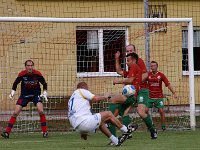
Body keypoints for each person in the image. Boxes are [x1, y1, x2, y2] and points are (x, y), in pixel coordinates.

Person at [68, 82, 133, 146]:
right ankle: (126, 130)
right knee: (109, 114)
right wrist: (105, 97)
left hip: (77, 127)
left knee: (100, 122)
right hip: (84, 122)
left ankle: (116, 141)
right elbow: (95, 98)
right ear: (84, 87)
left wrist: (83, 132)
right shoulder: (81, 90)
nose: (88, 90)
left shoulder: (72, 99)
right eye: (87, 88)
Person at [1, 60, 48, 138]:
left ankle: (45, 132)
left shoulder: (37, 74)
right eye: (28, 65)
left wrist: (45, 92)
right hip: (24, 95)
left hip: (35, 95)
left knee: (41, 111)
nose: (30, 67)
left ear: (33, 66)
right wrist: (12, 92)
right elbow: (15, 83)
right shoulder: (22, 74)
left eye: (31, 65)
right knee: (15, 113)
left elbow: (44, 83)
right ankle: (7, 133)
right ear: (25, 67)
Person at [126, 44, 158, 139]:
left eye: (131, 50)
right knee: (124, 110)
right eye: (127, 51)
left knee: (140, 111)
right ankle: (127, 132)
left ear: (135, 51)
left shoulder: (139, 61)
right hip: (133, 90)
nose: (129, 52)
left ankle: (153, 130)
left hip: (142, 89)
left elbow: (145, 75)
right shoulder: (129, 63)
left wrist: (136, 82)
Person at [107, 52, 141, 141]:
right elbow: (119, 71)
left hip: (131, 95)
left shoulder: (134, 66)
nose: (127, 62)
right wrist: (117, 59)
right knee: (120, 115)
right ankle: (127, 132)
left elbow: (130, 80)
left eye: (128, 60)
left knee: (112, 100)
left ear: (133, 60)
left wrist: (116, 82)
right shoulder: (131, 70)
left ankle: (113, 134)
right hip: (132, 97)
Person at [147, 61, 177, 130]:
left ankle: (163, 126)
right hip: (150, 97)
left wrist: (174, 93)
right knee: (145, 110)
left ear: (157, 66)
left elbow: (168, 84)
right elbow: (142, 82)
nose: (153, 67)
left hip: (158, 97)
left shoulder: (161, 75)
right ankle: (150, 125)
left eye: (154, 66)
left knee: (161, 111)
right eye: (151, 66)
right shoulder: (148, 75)